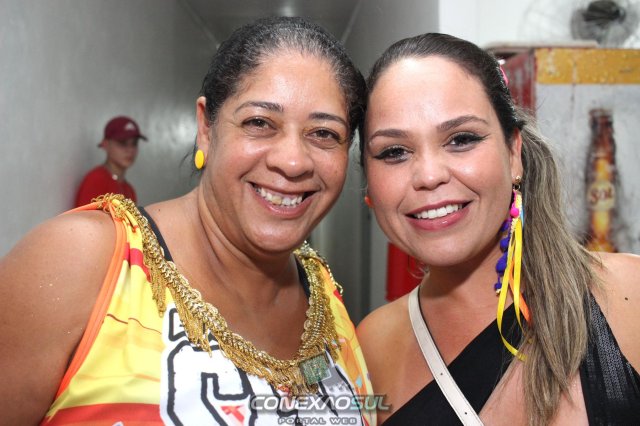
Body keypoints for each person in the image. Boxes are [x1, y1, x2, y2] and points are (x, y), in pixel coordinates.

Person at [0, 17, 375, 425]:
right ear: (206, 129)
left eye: (323, 133)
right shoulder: (81, 262)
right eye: (259, 123)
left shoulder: (325, 296)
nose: (292, 161)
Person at [356, 33, 640, 425]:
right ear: (369, 185)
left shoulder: (629, 293)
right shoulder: (367, 350)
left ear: (513, 153)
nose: (429, 175)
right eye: (394, 152)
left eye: (461, 139)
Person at [74, 115, 146, 207]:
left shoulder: (129, 189)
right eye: (122, 143)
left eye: (134, 143)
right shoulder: (96, 180)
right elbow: (83, 216)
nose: (130, 150)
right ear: (105, 144)